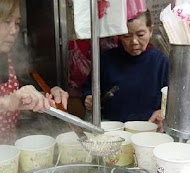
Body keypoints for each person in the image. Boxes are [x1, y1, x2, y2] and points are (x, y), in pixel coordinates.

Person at [82, 10, 168, 130]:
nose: (134, 42)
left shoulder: (162, 62)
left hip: (149, 130)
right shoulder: (107, 60)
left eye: (140, 35)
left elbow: (173, 101)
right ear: (119, 36)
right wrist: (88, 97)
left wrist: (162, 112)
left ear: (151, 31)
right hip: (113, 129)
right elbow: (87, 88)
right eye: (126, 36)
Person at [0, 0, 69, 143]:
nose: (14, 31)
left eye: (17, 23)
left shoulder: (7, 57)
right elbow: (8, 101)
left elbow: (16, 100)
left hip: (8, 153)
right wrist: (6, 102)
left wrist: (44, 97)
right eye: (7, 22)